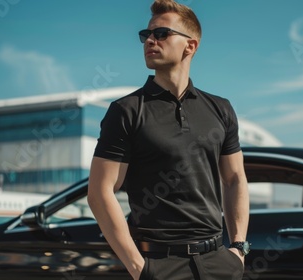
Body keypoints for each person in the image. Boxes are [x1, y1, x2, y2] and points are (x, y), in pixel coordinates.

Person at [87, 0, 249, 279]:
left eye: (161, 33)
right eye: (146, 35)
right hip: (158, 265)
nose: (150, 40)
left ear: (190, 46)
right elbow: (100, 192)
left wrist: (238, 249)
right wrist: (139, 268)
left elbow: (234, 179)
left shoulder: (220, 108)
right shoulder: (127, 110)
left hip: (218, 263)